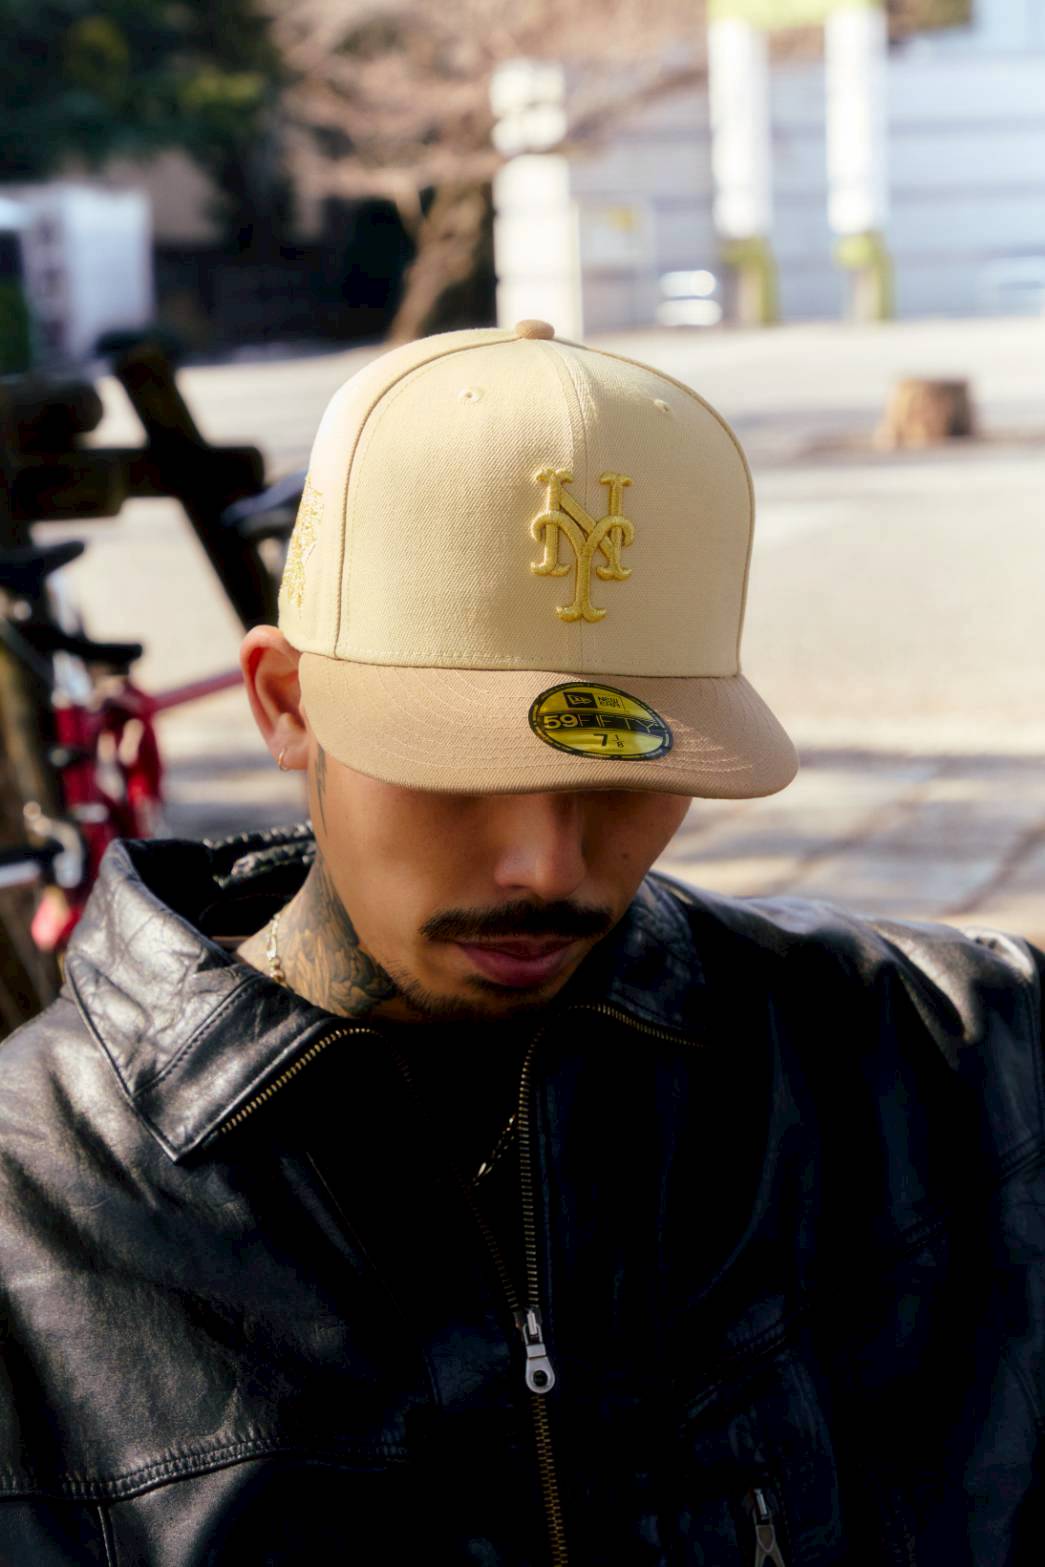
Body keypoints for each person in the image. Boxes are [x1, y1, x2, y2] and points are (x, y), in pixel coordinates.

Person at [0, 320, 1041, 1566]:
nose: (547, 865)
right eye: (457, 764)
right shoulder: (32, 1212)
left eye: (623, 772)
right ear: (286, 702)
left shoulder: (945, 1063)